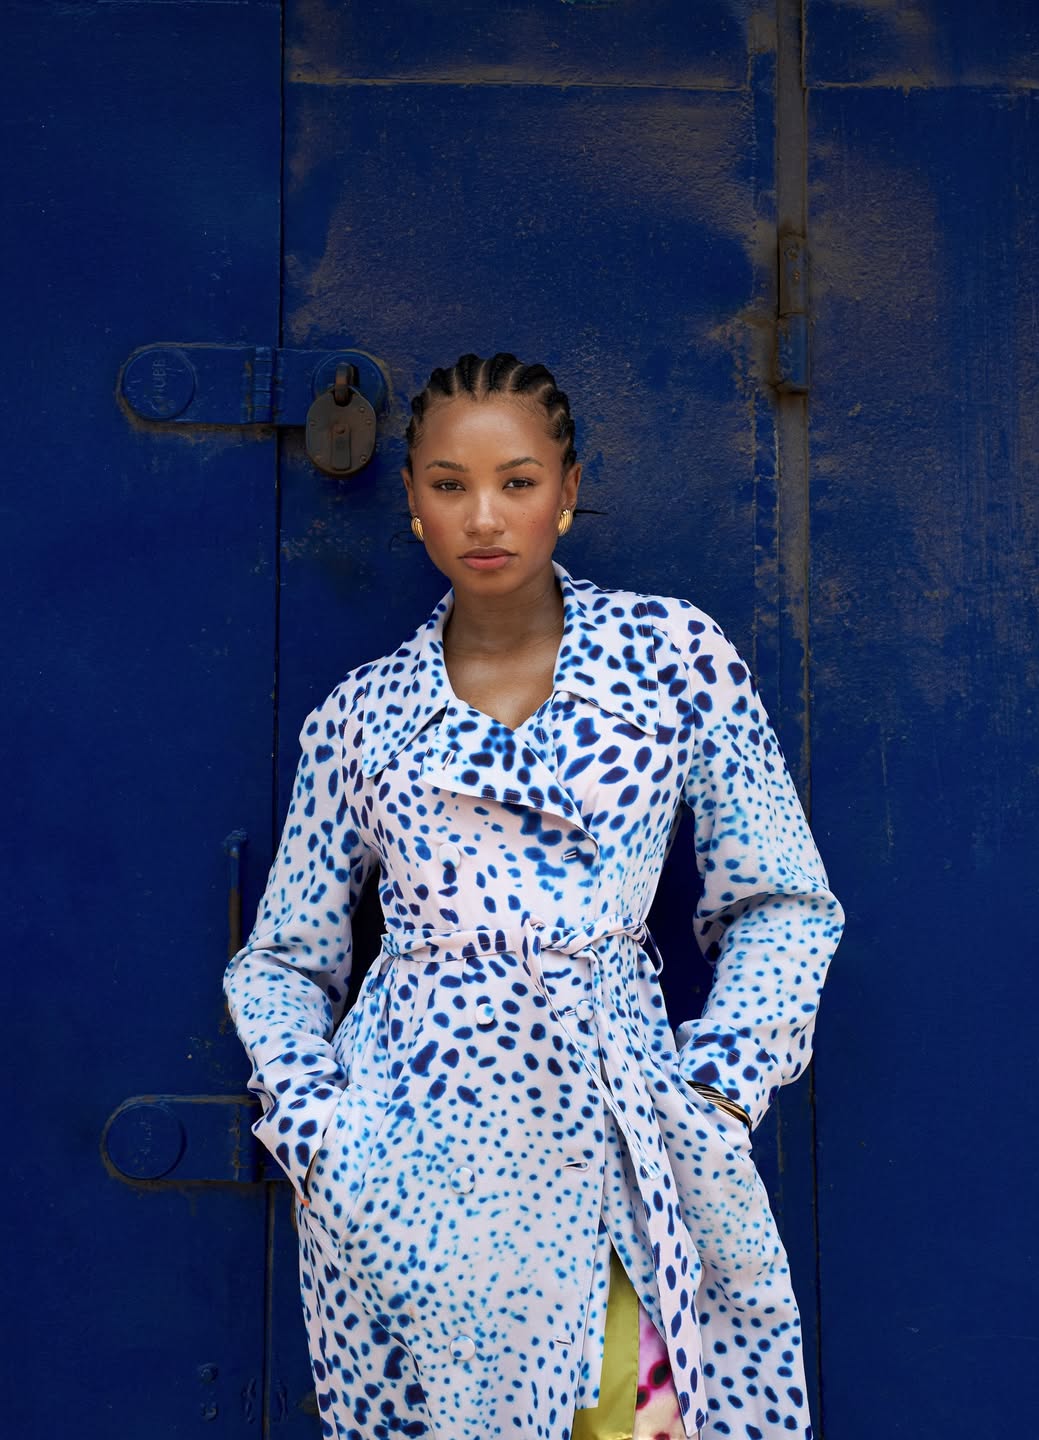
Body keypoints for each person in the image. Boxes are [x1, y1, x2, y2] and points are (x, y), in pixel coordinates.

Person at [224, 352, 844, 1440]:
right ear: (412, 502)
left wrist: (719, 1091)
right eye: (449, 484)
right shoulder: (359, 717)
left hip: (618, 1123)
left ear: (567, 491)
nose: (484, 516)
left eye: (517, 481)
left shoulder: (671, 655)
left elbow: (783, 900)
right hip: (414, 1162)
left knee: (640, 1419)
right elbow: (283, 959)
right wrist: (326, 1134)